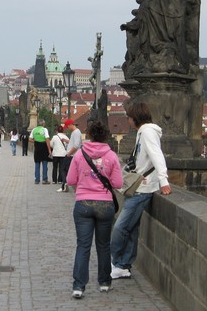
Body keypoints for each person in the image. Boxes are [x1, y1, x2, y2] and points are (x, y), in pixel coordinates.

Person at [110, 102, 172, 279]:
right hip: (140, 187)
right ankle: (124, 265)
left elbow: (157, 156)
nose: (128, 120)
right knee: (131, 228)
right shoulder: (143, 132)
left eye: (129, 117)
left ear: (135, 118)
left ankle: (115, 261)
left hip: (143, 190)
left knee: (120, 227)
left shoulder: (146, 132)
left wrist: (163, 180)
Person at [66, 120, 123, 298]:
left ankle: (78, 286)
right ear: (105, 136)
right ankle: (104, 282)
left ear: (89, 135)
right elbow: (118, 183)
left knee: (83, 245)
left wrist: (82, 188)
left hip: (83, 203)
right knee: (103, 245)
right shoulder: (111, 155)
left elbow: (70, 180)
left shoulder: (80, 154)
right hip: (105, 204)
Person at [58, 119, 81, 193]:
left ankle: (64, 185)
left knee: (63, 169)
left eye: (67, 126)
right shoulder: (75, 132)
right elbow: (73, 142)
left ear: (71, 125)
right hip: (70, 154)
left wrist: (69, 153)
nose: (67, 128)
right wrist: (66, 140)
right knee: (65, 170)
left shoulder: (76, 132)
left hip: (71, 155)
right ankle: (65, 184)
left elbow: (76, 145)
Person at [29, 119, 52, 184]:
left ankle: (37, 179)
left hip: (37, 149)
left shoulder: (34, 130)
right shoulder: (45, 130)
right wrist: (49, 150)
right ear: (43, 124)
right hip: (44, 148)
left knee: (37, 163)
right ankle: (44, 179)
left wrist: (36, 141)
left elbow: (30, 139)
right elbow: (47, 140)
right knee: (44, 164)